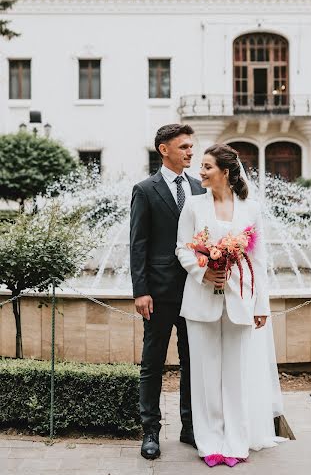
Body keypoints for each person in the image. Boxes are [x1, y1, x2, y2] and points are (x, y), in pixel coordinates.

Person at [176, 143, 286, 467]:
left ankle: (236, 443)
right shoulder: (194, 206)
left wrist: (260, 305)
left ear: (224, 171)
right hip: (199, 303)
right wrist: (204, 271)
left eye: (207, 167)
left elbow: (259, 259)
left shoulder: (251, 209)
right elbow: (182, 249)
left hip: (241, 302)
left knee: (236, 375)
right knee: (206, 376)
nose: (201, 172)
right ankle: (209, 443)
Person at [130, 123, 206, 460]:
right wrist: (141, 290)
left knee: (194, 361)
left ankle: (190, 428)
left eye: (192, 147)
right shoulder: (145, 190)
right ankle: (150, 431)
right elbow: (138, 244)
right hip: (158, 294)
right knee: (152, 362)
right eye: (184, 147)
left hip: (196, 290)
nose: (191, 152)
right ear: (164, 149)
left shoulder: (200, 188)